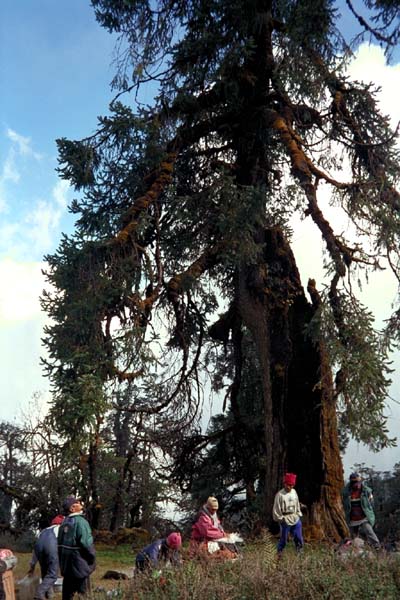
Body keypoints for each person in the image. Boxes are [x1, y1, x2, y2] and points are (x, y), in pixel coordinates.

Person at [57, 496, 96, 599]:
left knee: (67, 596)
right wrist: (92, 560)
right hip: (80, 567)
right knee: (84, 596)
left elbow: (59, 545)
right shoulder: (81, 522)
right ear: (72, 509)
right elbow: (87, 544)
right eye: (76, 503)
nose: (80, 503)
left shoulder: (63, 523)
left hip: (67, 568)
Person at [27, 515, 64, 599]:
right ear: (61, 523)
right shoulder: (60, 528)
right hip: (51, 547)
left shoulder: (43, 531)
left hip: (39, 549)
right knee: (53, 574)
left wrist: (32, 566)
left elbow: (35, 550)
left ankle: (49, 595)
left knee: (45, 572)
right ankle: (39, 592)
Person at [342, 472, 380, 549]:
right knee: (353, 535)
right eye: (354, 482)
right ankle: (354, 549)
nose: (357, 484)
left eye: (358, 482)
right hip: (352, 518)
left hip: (364, 517)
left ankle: (376, 546)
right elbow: (344, 504)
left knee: (368, 530)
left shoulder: (366, 491)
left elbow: (371, 504)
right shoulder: (346, 492)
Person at [272, 472, 304, 556]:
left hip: (295, 517)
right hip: (285, 519)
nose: (290, 487)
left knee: (298, 537)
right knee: (284, 540)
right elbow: (276, 508)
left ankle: (299, 554)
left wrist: (298, 513)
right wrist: (281, 519)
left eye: (292, 485)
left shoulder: (294, 492)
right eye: (288, 485)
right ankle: (279, 554)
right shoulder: (280, 495)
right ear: (285, 484)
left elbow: (296, 503)